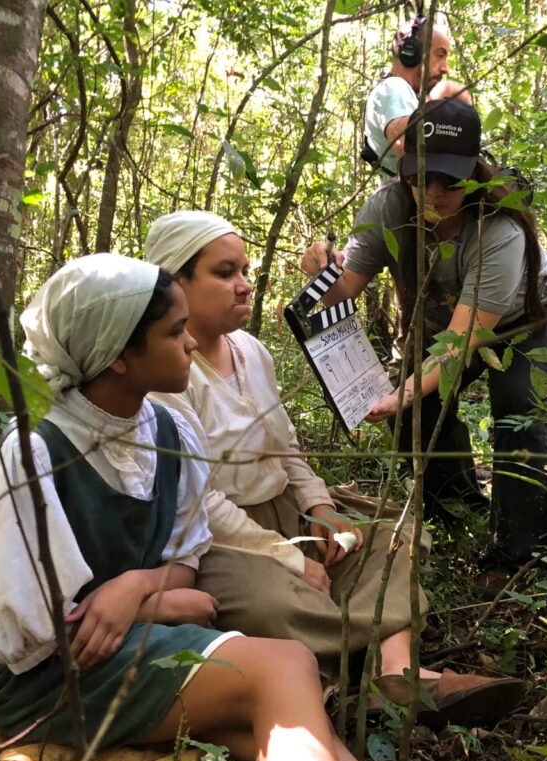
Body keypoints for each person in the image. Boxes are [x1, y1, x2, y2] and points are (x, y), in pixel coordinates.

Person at [0, 253, 359, 761]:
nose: (192, 343)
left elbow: (185, 561)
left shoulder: (166, 432)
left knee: (293, 730)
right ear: (118, 354)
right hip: (53, 677)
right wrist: (161, 605)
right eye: (175, 332)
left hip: (135, 642)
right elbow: (31, 635)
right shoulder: (37, 454)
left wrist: (137, 588)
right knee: (285, 666)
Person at [145, 212, 523, 728]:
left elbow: (285, 445)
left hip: (286, 511)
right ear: (175, 282)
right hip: (224, 538)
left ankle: (395, 671)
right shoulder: (166, 372)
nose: (245, 285)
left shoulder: (250, 351)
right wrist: (288, 558)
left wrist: (319, 507)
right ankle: (339, 674)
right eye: (225, 273)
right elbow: (199, 496)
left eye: (245, 271)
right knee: (271, 604)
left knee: (391, 536)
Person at [303, 100, 547, 584]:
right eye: (421, 176)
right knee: (416, 411)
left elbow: (462, 342)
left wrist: (403, 393)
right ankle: (459, 511)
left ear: (474, 171)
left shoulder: (500, 228)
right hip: (450, 316)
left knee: (517, 405)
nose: (433, 192)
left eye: (450, 180)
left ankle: (522, 555)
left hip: (528, 317)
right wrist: (321, 270)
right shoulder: (388, 207)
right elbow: (345, 289)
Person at [364, 13, 471, 183]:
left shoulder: (404, 93)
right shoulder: (393, 88)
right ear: (411, 52)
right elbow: (414, 153)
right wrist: (439, 98)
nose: (445, 68)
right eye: (440, 55)